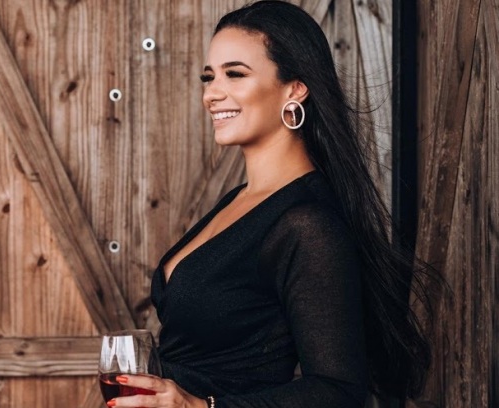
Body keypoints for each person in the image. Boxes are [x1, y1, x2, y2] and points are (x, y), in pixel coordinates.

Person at [106, 1, 431, 407]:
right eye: (208, 77)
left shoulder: (307, 223)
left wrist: (199, 406)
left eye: (235, 74)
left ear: (295, 88)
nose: (211, 93)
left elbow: (338, 390)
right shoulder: (240, 200)